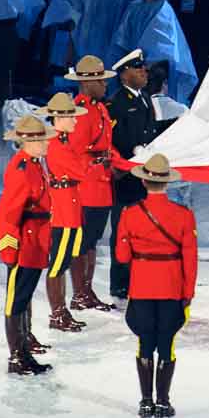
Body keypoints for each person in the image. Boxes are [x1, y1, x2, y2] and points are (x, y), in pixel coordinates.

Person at [115, 151, 198, 418]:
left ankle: (145, 401)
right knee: (167, 344)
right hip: (172, 287)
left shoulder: (129, 214)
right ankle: (163, 401)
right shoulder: (183, 215)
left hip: (141, 287)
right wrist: (188, 293)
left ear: (143, 182)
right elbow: (190, 259)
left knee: (144, 343)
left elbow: (122, 256)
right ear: (168, 183)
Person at [107, 47, 171, 299]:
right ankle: (120, 283)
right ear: (124, 75)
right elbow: (110, 138)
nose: (144, 71)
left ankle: (139, 277)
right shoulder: (116, 103)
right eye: (137, 68)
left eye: (143, 67)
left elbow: (149, 130)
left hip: (143, 177)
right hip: (125, 178)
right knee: (123, 231)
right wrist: (128, 156)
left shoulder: (144, 97)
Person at [65, 53, 126, 310]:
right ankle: (79, 294)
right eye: (100, 80)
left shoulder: (100, 108)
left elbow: (107, 146)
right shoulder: (78, 111)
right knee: (83, 242)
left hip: (102, 186)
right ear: (86, 82)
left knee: (92, 242)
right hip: (87, 186)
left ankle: (87, 291)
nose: (105, 84)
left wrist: (124, 164)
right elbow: (76, 151)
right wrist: (102, 160)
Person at [0, 113, 54, 376]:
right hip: (24, 243)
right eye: (42, 140)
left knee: (25, 297)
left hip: (35, 240)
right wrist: (9, 249)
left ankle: (24, 353)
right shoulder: (21, 168)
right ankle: (16, 357)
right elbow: (8, 214)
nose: (47, 144)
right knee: (15, 301)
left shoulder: (33, 164)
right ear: (28, 142)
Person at [37, 91, 89, 333]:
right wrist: (87, 162)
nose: (76, 121)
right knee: (57, 264)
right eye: (72, 117)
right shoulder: (56, 145)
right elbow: (79, 171)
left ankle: (61, 310)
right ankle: (57, 313)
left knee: (64, 261)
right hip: (62, 210)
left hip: (70, 205)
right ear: (60, 117)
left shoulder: (63, 142)